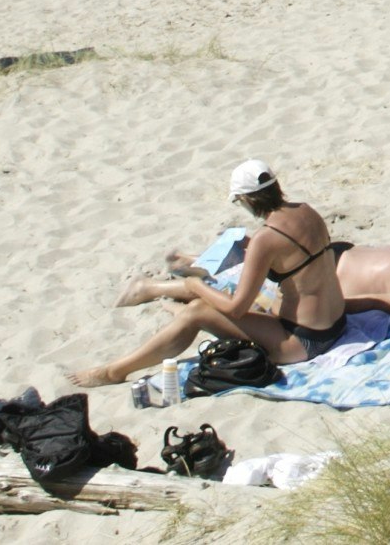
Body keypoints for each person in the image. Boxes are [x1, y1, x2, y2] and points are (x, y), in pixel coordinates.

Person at [69, 161, 349, 387]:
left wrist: (195, 284)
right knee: (224, 291)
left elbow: (237, 309)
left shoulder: (267, 237)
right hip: (336, 322)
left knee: (198, 309)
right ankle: (161, 298)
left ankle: (116, 371)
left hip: (305, 341)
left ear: (246, 199)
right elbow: (291, 255)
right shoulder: (305, 211)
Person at [120, 241, 390, 320]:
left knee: (265, 261)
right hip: (321, 280)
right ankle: (152, 289)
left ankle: (196, 258)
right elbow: (375, 303)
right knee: (258, 296)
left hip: (333, 252)